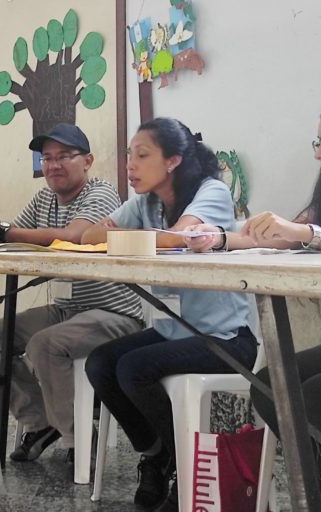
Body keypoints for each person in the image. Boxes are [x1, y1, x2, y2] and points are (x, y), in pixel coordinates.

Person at [186, 90, 321, 512]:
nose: (319, 154)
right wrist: (217, 238)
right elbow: (277, 237)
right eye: (317, 142)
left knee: (319, 396)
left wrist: (310, 234)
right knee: (271, 385)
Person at [82, 118, 257, 511]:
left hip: (226, 339)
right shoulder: (146, 203)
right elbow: (89, 236)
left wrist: (130, 236)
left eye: (142, 156)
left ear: (174, 160)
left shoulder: (210, 192)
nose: (130, 165)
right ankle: (156, 453)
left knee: (132, 369)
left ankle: (184, 462)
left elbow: (182, 237)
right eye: (130, 155)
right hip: (173, 331)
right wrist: (138, 235)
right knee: (100, 364)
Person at [0, 123, 144, 462]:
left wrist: (3, 228)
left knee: (45, 344)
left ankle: (80, 443)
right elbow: (16, 240)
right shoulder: (44, 198)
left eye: (64, 156)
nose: (53, 165)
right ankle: (41, 422)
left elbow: (74, 236)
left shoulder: (102, 193)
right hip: (68, 310)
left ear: (88, 161)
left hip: (115, 314)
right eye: (46, 158)